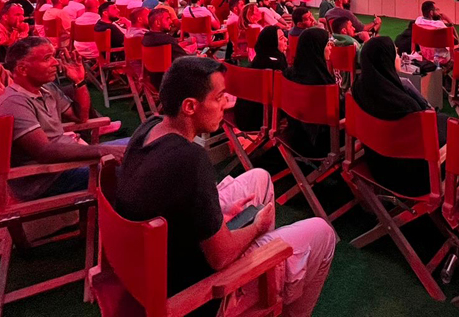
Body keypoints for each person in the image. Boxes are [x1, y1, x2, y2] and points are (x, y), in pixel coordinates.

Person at [115, 57, 335, 317]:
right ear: (189, 106)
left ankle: (267, 279)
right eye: (219, 97)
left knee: (260, 177)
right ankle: (271, 294)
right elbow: (219, 257)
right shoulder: (189, 159)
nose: (228, 103)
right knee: (323, 233)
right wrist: (257, 227)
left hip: (156, 263)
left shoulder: (149, 128)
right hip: (195, 295)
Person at [0, 37, 127, 199]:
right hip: (48, 179)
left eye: (54, 57)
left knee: (145, 142)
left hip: (66, 164)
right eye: (47, 58)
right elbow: (45, 152)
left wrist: (79, 81)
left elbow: (80, 116)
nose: (55, 63)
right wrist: (102, 150)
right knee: (137, 167)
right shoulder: (14, 103)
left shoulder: (47, 90)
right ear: (23, 69)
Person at [351, 36, 448, 197]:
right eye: (395, 54)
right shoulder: (404, 105)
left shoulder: (358, 89)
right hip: (411, 179)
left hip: (375, 164)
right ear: (386, 60)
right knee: (450, 128)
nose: (398, 58)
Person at [282, 27, 338, 158]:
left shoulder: (288, 74)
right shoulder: (322, 83)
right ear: (317, 48)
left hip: (293, 135)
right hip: (320, 146)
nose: (330, 48)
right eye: (327, 44)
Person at [233, 25, 288, 132]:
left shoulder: (259, 59)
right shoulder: (274, 65)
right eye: (281, 38)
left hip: (242, 115)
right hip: (258, 120)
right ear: (272, 43)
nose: (286, 39)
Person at [414, 0, 454, 66]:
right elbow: (456, 41)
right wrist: (448, 20)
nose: (438, 12)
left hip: (425, 55)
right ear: (431, 12)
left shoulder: (418, 21)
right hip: (441, 59)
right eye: (436, 10)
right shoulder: (440, 25)